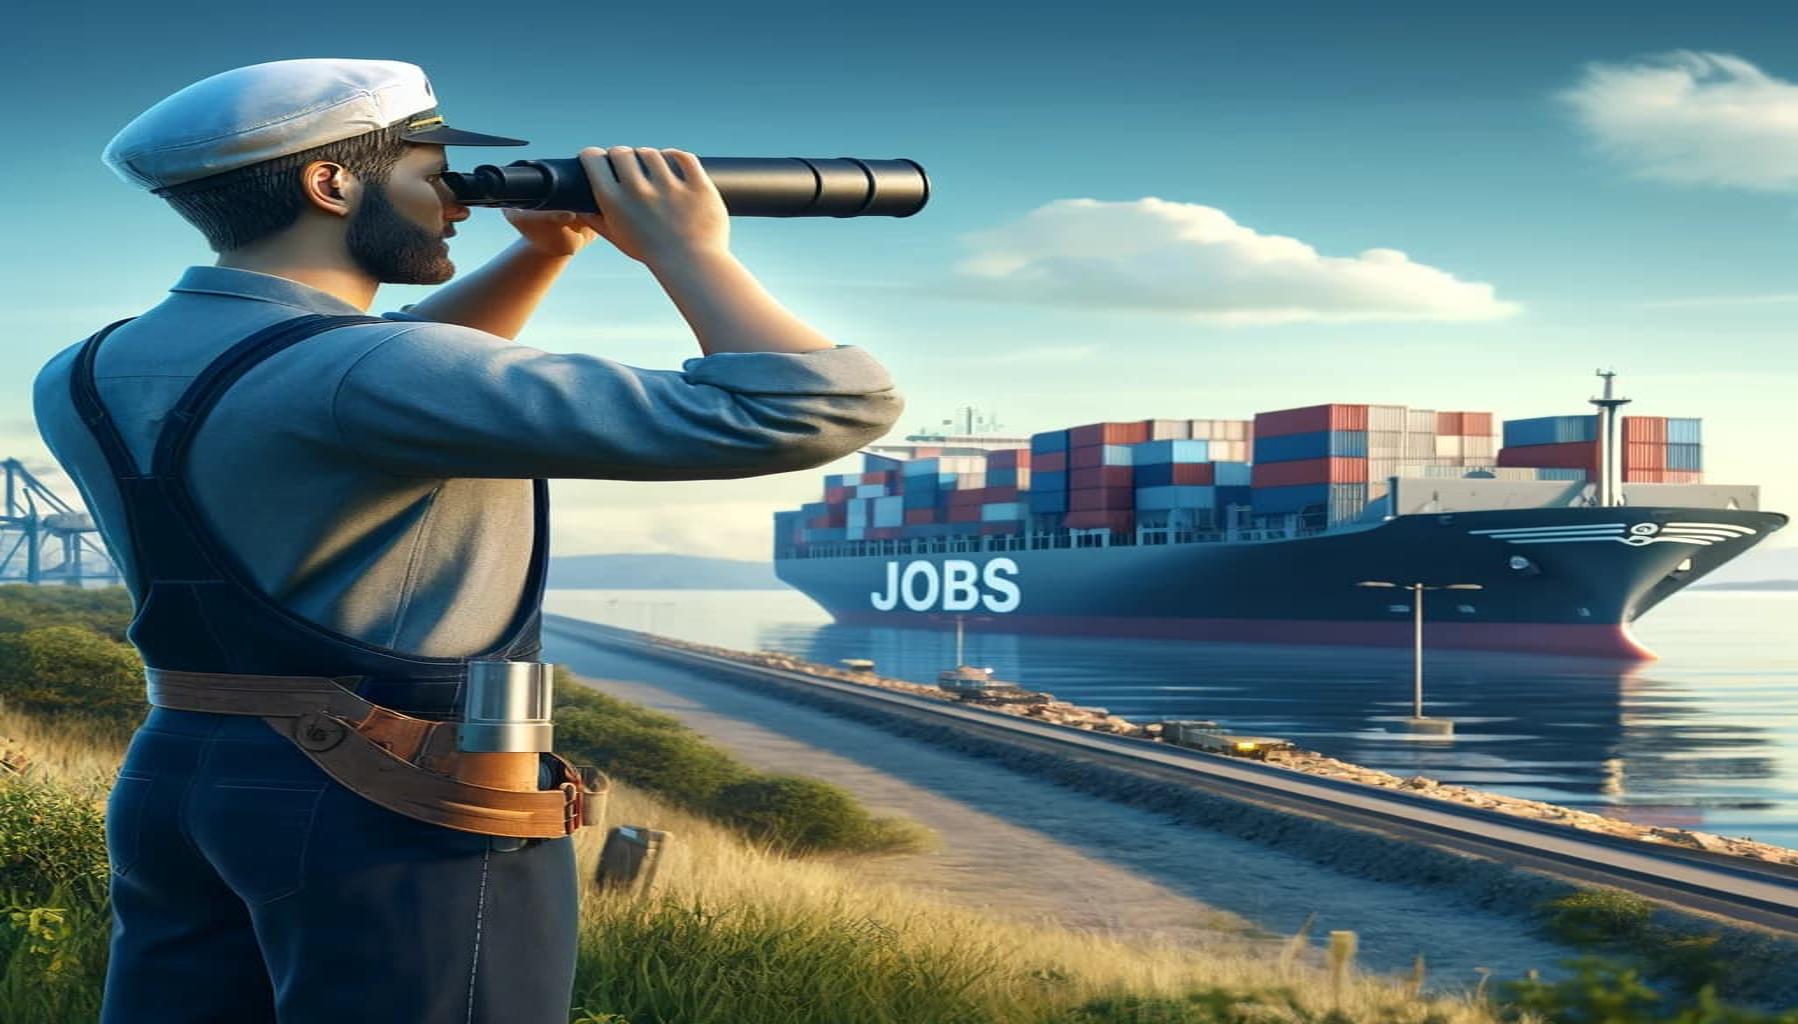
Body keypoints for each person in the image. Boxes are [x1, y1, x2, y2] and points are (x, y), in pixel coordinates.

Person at [32, 58, 903, 1023]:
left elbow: (346, 381)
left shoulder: (84, 368)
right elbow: (821, 403)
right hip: (395, 796)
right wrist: (687, 250)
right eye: (433, 167)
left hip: (179, 777)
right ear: (333, 184)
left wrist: (541, 254)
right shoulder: (376, 373)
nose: (455, 198)